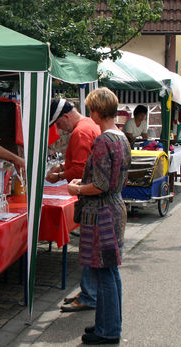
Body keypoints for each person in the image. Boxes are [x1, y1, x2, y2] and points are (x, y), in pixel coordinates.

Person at [67, 87, 131, 345]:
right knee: (110, 273)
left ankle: (108, 331)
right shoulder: (121, 137)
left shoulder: (105, 140)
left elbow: (101, 184)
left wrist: (77, 188)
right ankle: (108, 324)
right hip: (114, 207)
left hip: (102, 211)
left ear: (95, 110)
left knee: (104, 274)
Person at [45, 99, 101, 314]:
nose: (60, 129)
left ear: (66, 117)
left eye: (59, 124)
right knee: (90, 248)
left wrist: (59, 175)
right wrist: (61, 167)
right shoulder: (88, 125)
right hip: (93, 197)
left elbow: (79, 170)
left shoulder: (80, 132)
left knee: (88, 249)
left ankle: (88, 294)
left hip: (89, 198)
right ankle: (88, 291)